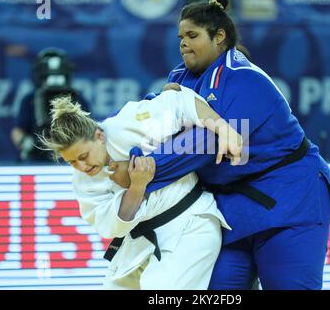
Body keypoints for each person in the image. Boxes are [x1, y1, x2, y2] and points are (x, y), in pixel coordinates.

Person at [111, 0, 330, 290]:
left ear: (219, 36)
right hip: (229, 213)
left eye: (192, 35)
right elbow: (148, 119)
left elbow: (202, 145)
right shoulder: (180, 78)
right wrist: (111, 149)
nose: (183, 43)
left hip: (289, 200)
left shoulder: (246, 80)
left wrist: (140, 172)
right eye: (180, 36)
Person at [38, 85, 242, 290]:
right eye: (72, 162)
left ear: (99, 136)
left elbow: (181, 103)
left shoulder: (127, 124)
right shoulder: (82, 180)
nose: (82, 167)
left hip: (189, 224)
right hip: (138, 241)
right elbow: (112, 226)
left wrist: (223, 128)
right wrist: (137, 186)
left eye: (83, 156)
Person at [11, 48, 89, 162]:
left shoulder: (77, 97)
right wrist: (25, 142)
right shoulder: (30, 99)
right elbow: (17, 131)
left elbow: (89, 128)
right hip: (37, 157)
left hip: (72, 159)